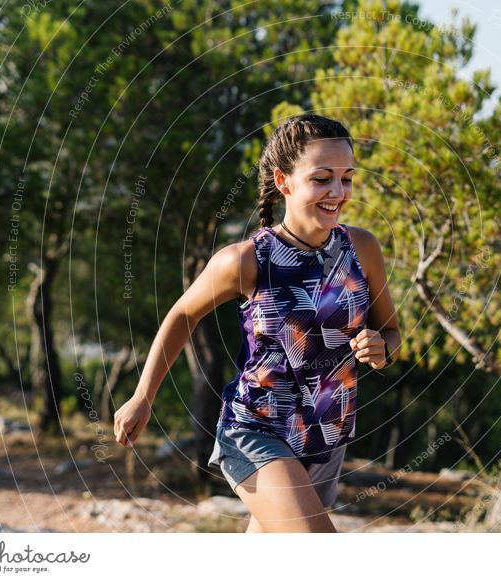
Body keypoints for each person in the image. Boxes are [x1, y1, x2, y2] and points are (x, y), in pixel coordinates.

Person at [113, 113, 400, 533]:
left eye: (347, 178)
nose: (338, 192)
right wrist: (143, 395)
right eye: (322, 179)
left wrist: (382, 349)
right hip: (255, 430)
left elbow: (391, 333)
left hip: (326, 436)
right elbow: (183, 314)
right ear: (284, 182)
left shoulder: (363, 248)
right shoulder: (247, 260)